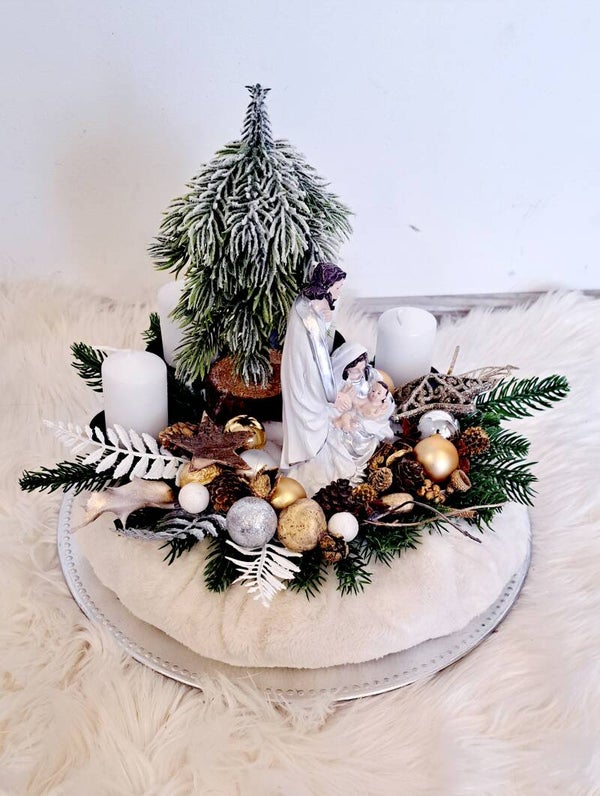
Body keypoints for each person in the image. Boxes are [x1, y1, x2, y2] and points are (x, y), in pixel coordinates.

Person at [280, 263, 356, 494]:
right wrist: (332, 395)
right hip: (306, 379)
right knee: (309, 421)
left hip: (303, 374)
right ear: (327, 286)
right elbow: (319, 360)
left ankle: (308, 459)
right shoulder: (309, 316)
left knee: (313, 422)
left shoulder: (308, 303)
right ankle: (307, 464)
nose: (340, 291)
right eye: (338, 287)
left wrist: (327, 319)